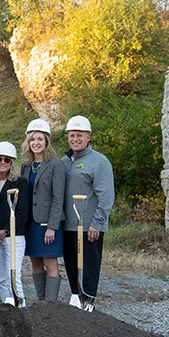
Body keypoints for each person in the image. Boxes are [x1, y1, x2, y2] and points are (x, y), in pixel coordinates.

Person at [62, 115, 114, 303]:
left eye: (79, 135)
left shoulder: (99, 162)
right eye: (72, 135)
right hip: (68, 225)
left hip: (88, 227)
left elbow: (106, 196)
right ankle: (76, 299)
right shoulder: (65, 161)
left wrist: (97, 224)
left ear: (88, 137)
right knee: (71, 265)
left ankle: (88, 302)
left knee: (89, 267)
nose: (75, 138)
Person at [19, 119, 66, 302]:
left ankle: (50, 305)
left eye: (39, 139)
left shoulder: (56, 164)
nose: (36, 143)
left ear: (47, 140)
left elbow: (58, 197)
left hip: (47, 224)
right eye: (32, 139)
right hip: (30, 223)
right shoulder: (26, 166)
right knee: (35, 262)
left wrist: (52, 227)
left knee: (49, 262)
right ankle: (41, 303)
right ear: (28, 143)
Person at [0, 141, 29, 305]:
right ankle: (7, 308)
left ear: (12, 163)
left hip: (13, 236)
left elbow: (22, 211)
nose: (2, 163)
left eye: (6, 160)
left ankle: (21, 308)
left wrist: (6, 231)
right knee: (1, 277)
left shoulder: (20, 183)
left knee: (13, 275)